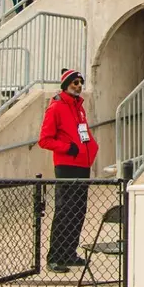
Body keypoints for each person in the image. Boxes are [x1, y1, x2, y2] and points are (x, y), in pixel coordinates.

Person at [38, 68, 97, 274]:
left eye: (81, 82)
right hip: (67, 165)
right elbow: (44, 139)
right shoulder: (56, 107)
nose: (79, 86)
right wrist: (68, 148)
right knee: (65, 209)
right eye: (75, 83)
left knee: (78, 210)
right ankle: (55, 256)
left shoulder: (79, 107)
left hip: (83, 164)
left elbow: (84, 132)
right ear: (66, 85)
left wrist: (92, 149)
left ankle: (69, 252)